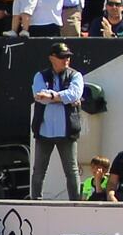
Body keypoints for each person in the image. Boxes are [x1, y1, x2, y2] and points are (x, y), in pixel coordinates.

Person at [30, 40, 85, 200]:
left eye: (68, 57)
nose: (66, 60)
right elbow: (40, 96)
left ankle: (75, 202)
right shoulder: (40, 75)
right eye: (62, 57)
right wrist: (62, 97)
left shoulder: (75, 75)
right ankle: (36, 201)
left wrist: (52, 95)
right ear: (52, 58)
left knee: (72, 170)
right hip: (44, 129)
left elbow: (74, 94)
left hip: (67, 131)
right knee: (39, 170)